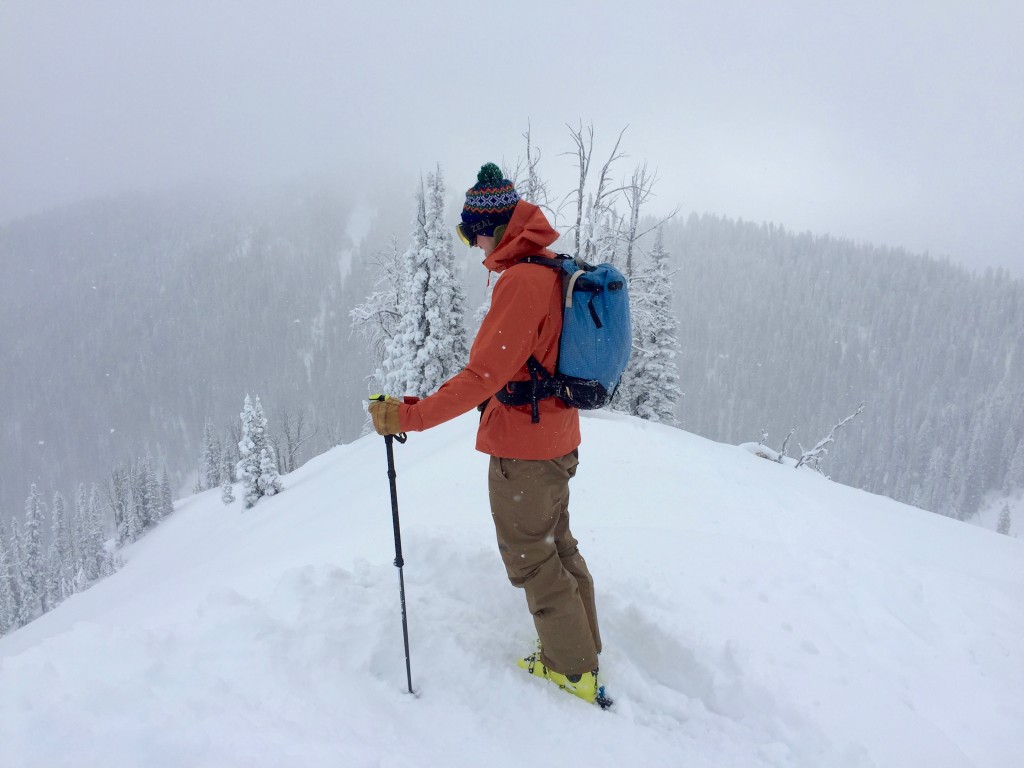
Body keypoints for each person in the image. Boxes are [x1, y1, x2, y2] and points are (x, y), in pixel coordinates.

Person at [368, 162, 604, 704]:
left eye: (471, 231)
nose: (472, 244)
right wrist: (413, 404)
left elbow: (483, 377)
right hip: (554, 439)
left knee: (534, 557)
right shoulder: (546, 269)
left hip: (525, 452)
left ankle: (571, 672)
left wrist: (408, 417)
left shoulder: (522, 281)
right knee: (557, 547)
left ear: (494, 227)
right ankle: (583, 656)